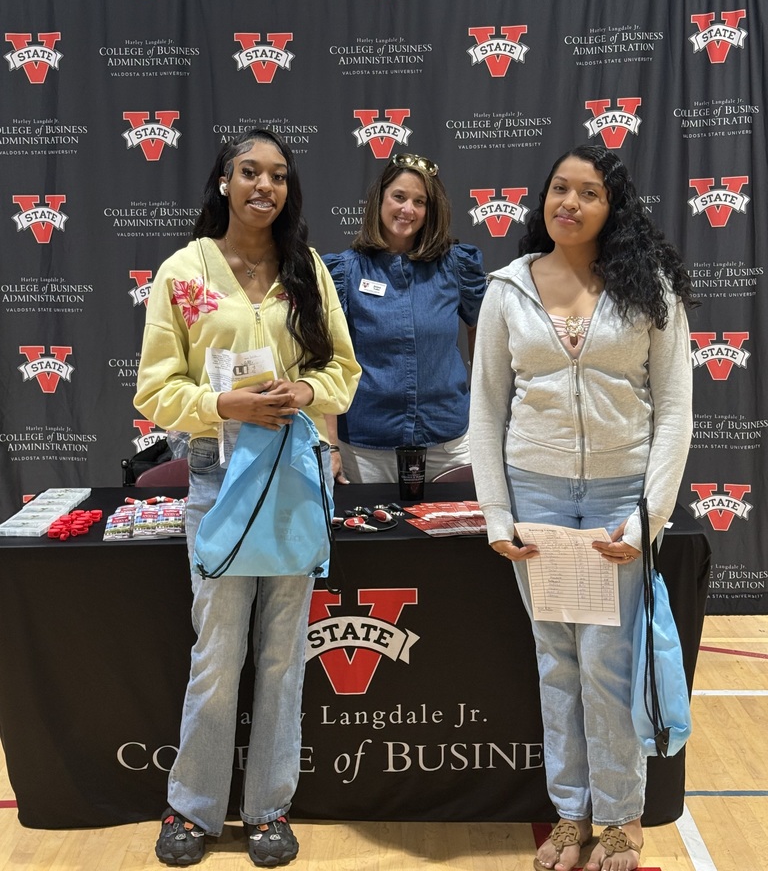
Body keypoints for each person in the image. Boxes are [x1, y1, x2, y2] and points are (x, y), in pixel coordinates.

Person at [134, 128, 360, 868]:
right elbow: (154, 390)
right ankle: (192, 809)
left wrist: (307, 390)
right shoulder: (183, 271)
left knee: (282, 656)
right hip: (217, 475)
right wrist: (223, 406)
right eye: (249, 172)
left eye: (279, 176)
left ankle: (268, 808)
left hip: (295, 474)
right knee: (218, 650)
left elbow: (343, 372)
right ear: (224, 181)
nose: (264, 186)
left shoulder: (307, 269)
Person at [469, 145, 695, 871]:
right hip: (534, 498)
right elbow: (486, 408)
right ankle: (569, 816)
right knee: (555, 661)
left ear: (612, 207)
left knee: (607, 663)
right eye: (558, 189)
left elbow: (676, 411)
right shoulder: (508, 289)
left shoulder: (648, 288)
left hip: (612, 503)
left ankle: (622, 819)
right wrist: (497, 515)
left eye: (587, 193)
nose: (568, 203)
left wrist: (647, 515)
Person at [323, 152, 486, 483]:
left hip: (449, 444)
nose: (407, 209)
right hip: (367, 448)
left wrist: (482, 400)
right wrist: (331, 446)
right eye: (399, 197)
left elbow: (483, 332)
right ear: (380, 199)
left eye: (419, 201)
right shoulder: (344, 271)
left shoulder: (456, 265)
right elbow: (327, 360)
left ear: (430, 210)